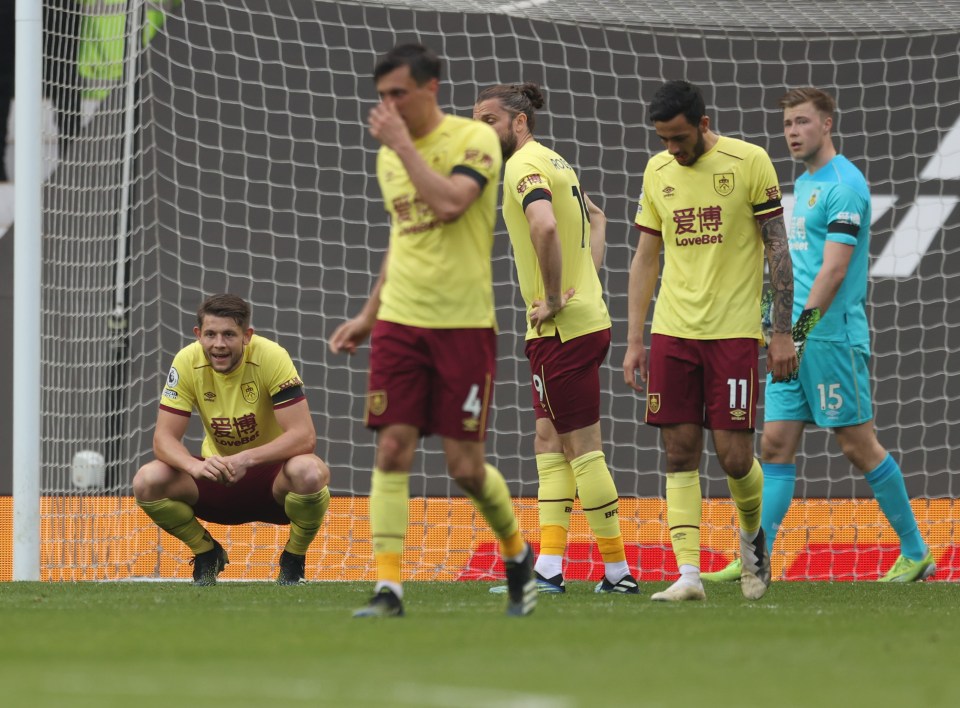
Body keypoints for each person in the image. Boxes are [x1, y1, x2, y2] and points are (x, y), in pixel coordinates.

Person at [328, 44, 536, 618]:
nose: (389, 105)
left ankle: (518, 554)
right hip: (401, 321)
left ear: (430, 90)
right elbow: (405, 238)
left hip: (464, 325)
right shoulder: (388, 158)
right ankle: (389, 589)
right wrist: (370, 316)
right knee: (393, 448)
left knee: (465, 467)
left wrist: (401, 146)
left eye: (399, 93)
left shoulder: (473, 140)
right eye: (382, 97)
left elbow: (448, 205)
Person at [703, 87, 935, 584]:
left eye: (803, 122)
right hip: (794, 339)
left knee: (857, 445)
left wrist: (797, 334)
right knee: (775, 444)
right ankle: (754, 558)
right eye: (788, 124)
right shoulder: (804, 185)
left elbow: (832, 272)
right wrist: (772, 321)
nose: (792, 132)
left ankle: (916, 551)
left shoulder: (844, 186)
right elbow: (799, 268)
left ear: (827, 124)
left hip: (829, 340)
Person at [623, 80, 797, 602]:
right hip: (673, 330)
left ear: (702, 124)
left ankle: (751, 537)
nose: (671, 150)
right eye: (663, 140)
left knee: (735, 457)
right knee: (678, 451)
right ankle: (689, 576)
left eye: (678, 138)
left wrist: (781, 331)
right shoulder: (658, 171)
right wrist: (634, 338)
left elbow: (777, 248)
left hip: (733, 333)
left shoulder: (750, 162)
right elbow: (646, 257)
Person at [474, 83, 638, 595]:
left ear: (518, 123)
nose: (480, 129)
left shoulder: (523, 167)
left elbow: (544, 228)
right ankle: (548, 567)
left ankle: (617, 572)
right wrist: (584, 268)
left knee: (583, 448)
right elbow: (586, 225)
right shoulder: (558, 163)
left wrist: (552, 297)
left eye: (489, 119)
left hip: (562, 329)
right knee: (548, 441)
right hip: (583, 320)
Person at [133, 294, 331, 585]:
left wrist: (245, 459)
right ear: (198, 335)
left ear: (247, 336)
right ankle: (206, 552)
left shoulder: (272, 356)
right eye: (210, 334)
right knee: (146, 480)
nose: (219, 345)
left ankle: (293, 557)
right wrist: (194, 467)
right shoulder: (187, 361)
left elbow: (304, 437)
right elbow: (163, 439)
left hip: (272, 483)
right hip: (217, 480)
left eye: (229, 334)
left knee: (310, 471)